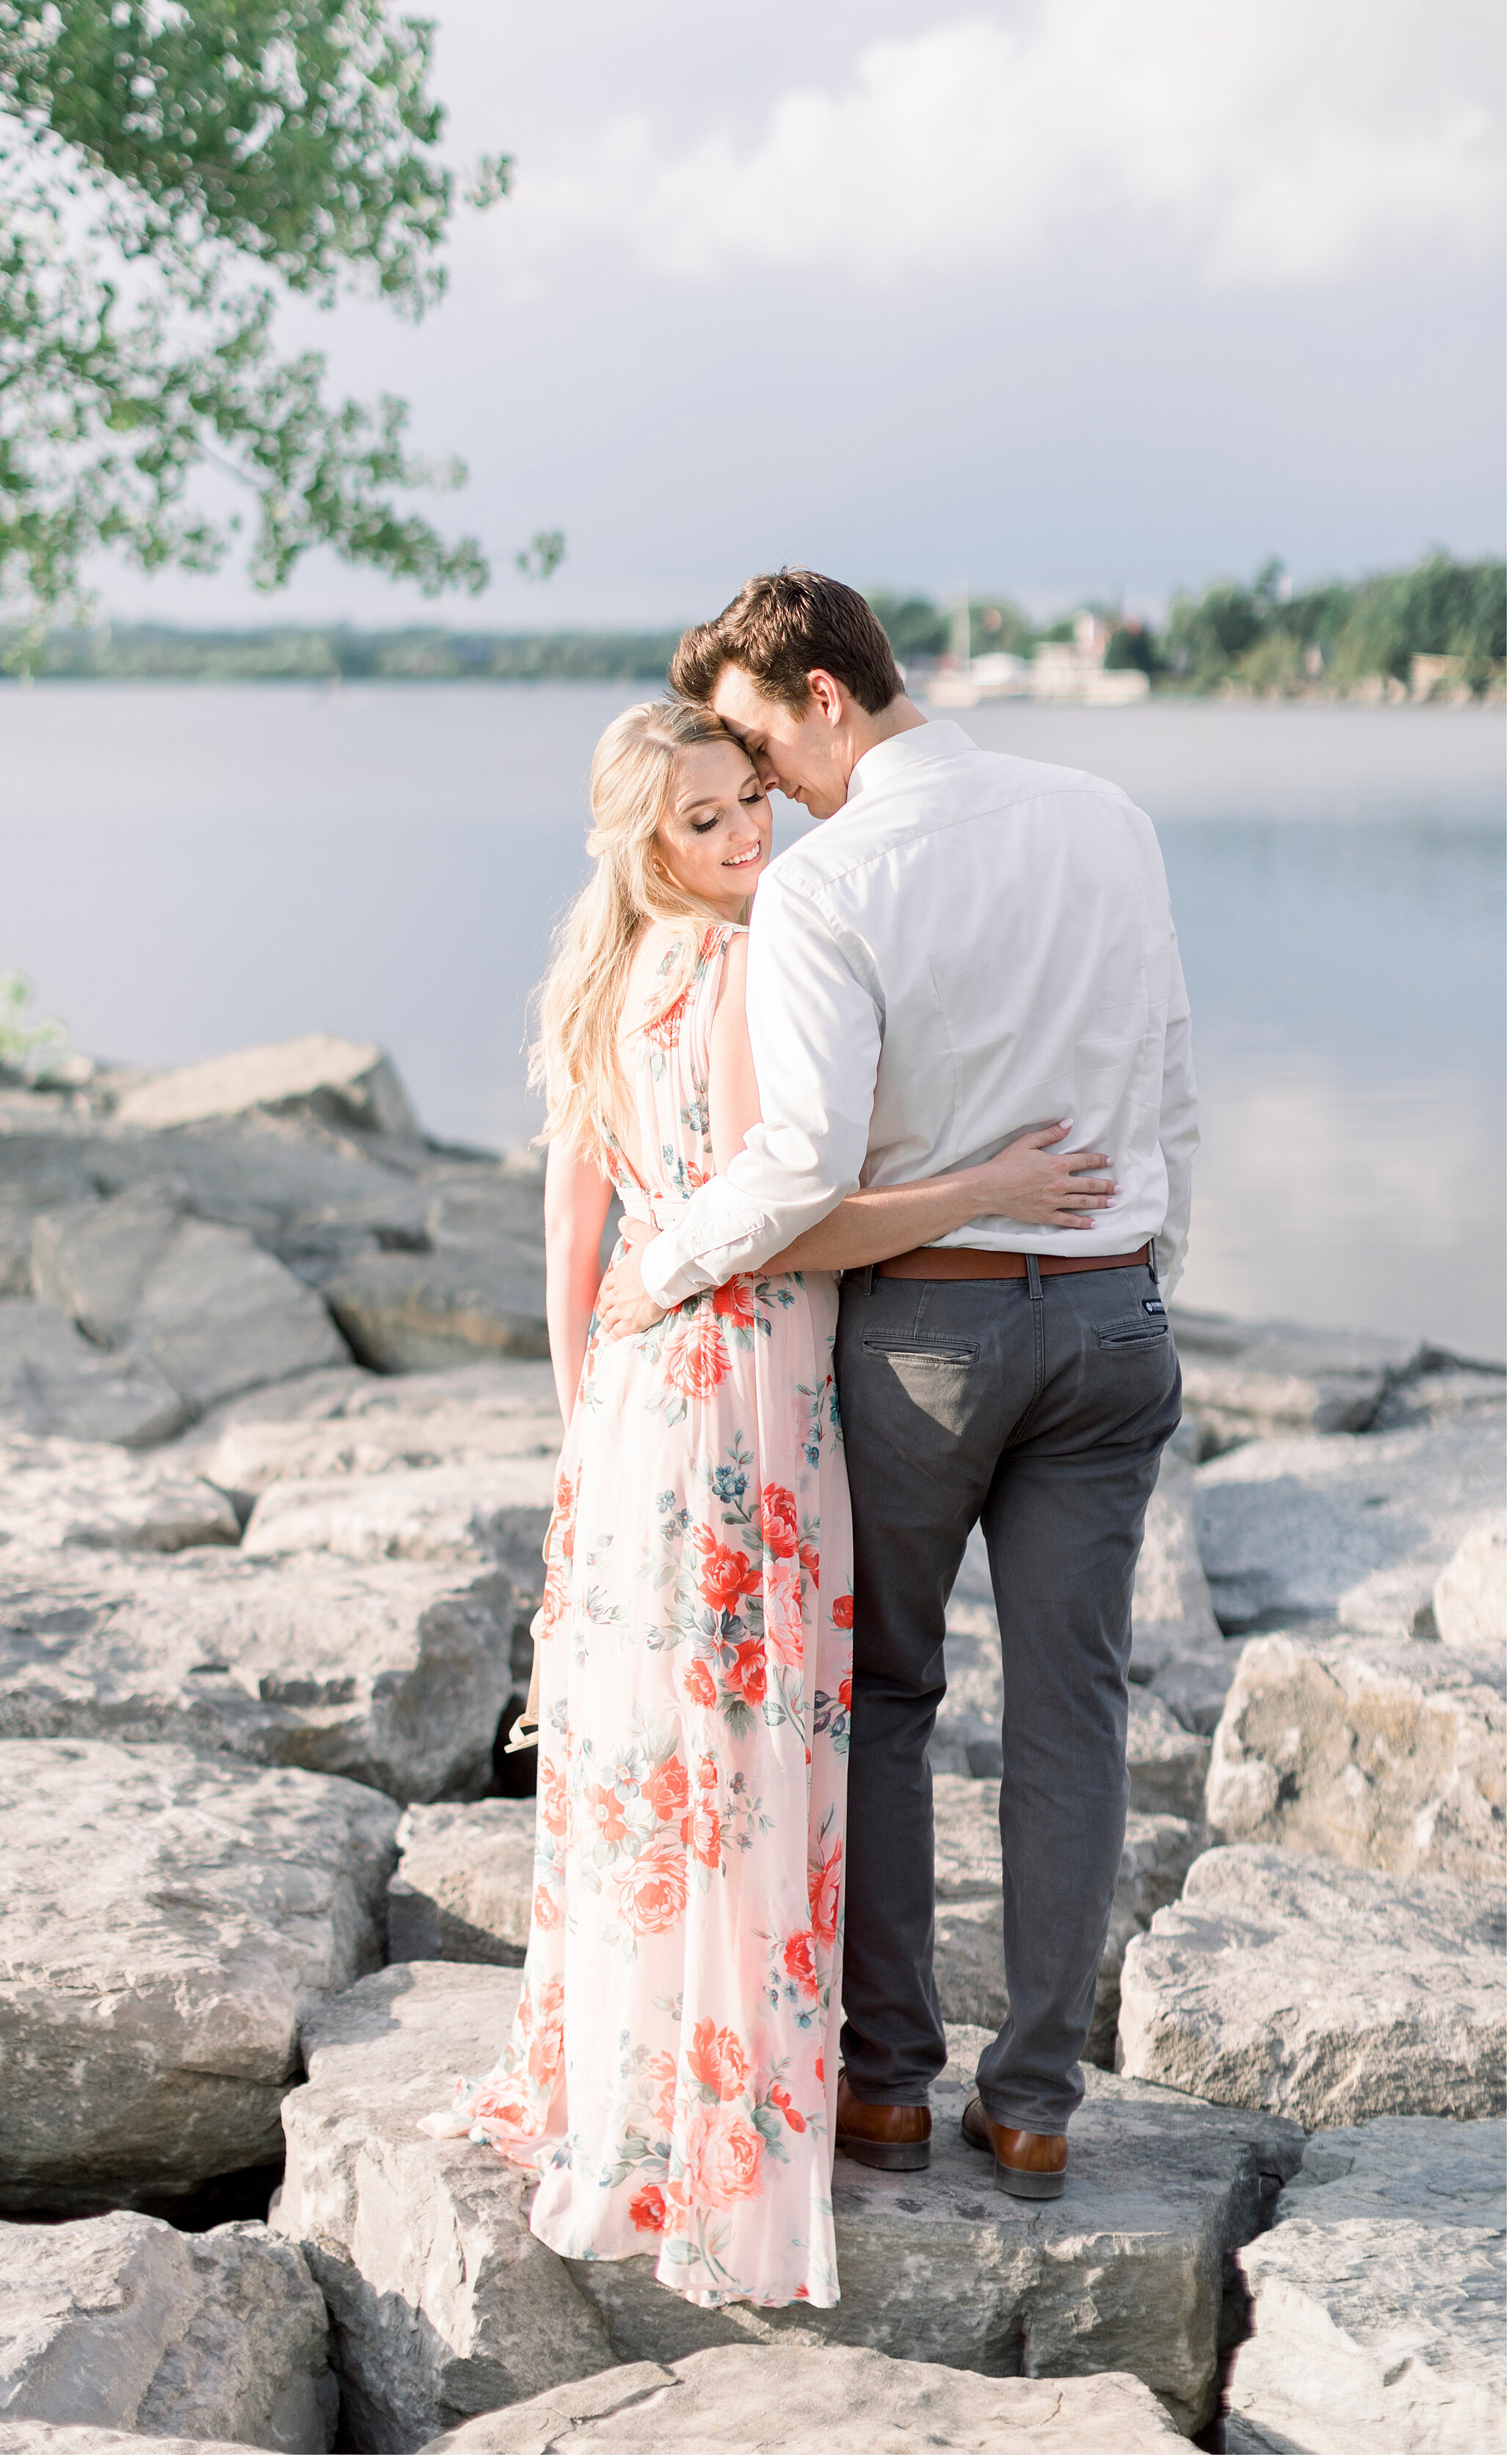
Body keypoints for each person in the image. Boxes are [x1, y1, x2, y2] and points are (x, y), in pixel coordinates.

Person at [425, 693, 1117, 2309]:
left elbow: (570, 1247)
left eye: (748, 801)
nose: (748, 837)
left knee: (657, 1758)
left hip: (628, 1404)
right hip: (739, 1392)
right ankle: (730, 2129)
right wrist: (985, 1192)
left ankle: (641, 2087)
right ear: (643, 842)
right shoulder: (742, 966)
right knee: (742, 1754)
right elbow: (777, 1220)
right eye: (705, 821)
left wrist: (577, 1437)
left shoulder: (593, 982)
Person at [597, 572, 1196, 2205]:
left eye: (747, 737)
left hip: (923, 1339)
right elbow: (1164, 1074)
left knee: (881, 1700)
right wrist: (1147, 1272)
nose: (755, 781)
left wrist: (660, 1265)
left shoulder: (828, 884)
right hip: (1108, 1320)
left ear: (819, 696)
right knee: (1072, 1714)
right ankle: (1034, 2106)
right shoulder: (1105, 818)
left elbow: (794, 1164)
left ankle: (882, 2089)